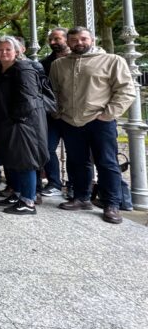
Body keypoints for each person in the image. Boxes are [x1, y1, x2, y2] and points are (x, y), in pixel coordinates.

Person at [50, 27, 136, 224]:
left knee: (107, 162)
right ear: (68, 42)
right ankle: (81, 197)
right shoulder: (59, 64)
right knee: (76, 161)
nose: (79, 42)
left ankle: (111, 204)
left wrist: (108, 114)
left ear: (93, 40)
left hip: (100, 121)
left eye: (83, 39)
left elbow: (126, 90)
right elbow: (53, 91)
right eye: (74, 40)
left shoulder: (112, 61)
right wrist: (57, 112)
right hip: (70, 121)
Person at [0, 36, 48, 215]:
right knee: (12, 161)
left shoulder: (23, 69)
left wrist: (14, 119)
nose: (4, 52)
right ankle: (18, 194)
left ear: (17, 51)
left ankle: (28, 201)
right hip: (5, 123)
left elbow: (28, 99)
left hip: (22, 124)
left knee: (25, 162)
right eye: (0, 49)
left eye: (8, 49)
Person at [39, 27, 70, 197]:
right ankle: (54, 183)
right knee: (48, 148)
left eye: (57, 39)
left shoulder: (78, 60)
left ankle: (74, 185)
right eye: (51, 39)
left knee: (75, 152)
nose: (52, 42)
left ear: (66, 39)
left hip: (73, 114)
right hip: (51, 114)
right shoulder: (45, 63)